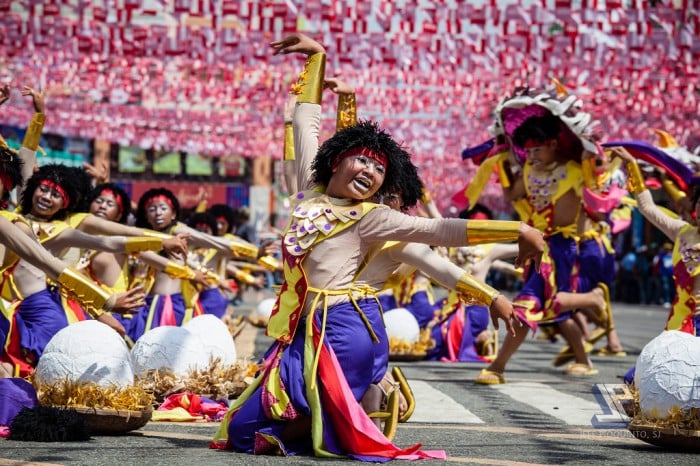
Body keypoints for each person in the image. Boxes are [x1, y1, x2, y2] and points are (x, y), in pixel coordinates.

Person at [211, 33, 544, 460]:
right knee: (243, 431)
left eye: (379, 169)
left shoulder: (373, 218)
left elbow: (440, 232)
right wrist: (317, 58)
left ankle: (369, 393)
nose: (370, 170)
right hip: (301, 327)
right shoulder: (308, 191)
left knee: (324, 426)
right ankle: (364, 399)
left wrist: (517, 233)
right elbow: (305, 122)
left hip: (345, 328)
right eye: (362, 160)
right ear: (336, 161)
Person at [474, 97, 611, 383]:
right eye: (528, 151)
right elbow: (512, 196)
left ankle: (498, 367)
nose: (532, 156)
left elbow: (599, 195)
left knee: (527, 303)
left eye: (537, 149)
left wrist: (593, 160)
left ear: (553, 144)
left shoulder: (575, 170)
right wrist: (501, 163)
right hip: (535, 243)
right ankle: (587, 341)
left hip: (561, 248)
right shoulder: (529, 169)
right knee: (552, 312)